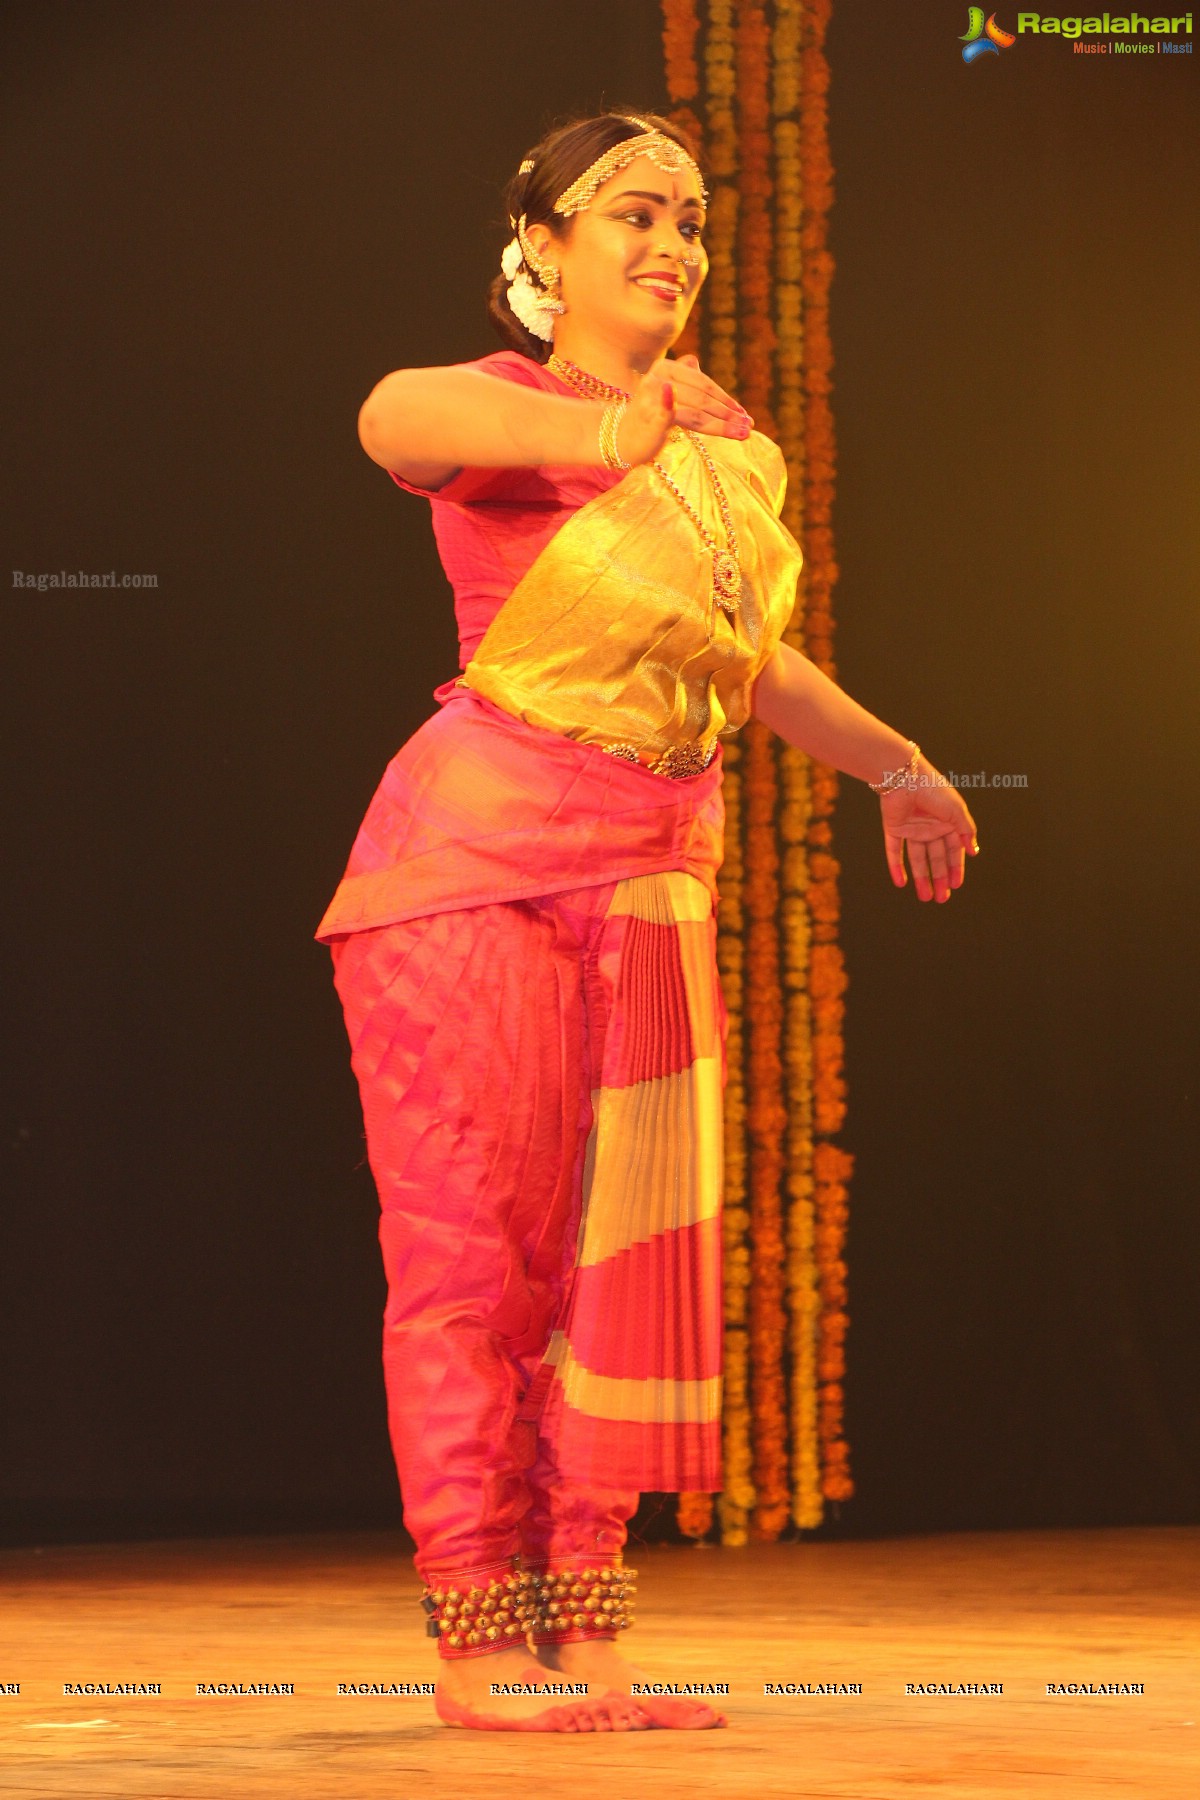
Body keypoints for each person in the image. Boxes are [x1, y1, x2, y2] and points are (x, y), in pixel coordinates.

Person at [316, 108, 979, 1735]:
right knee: (480, 1263)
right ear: (538, 245)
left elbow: (744, 668)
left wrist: (897, 764)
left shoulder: (728, 446)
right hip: (473, 866)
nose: (671, 243)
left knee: (624, 1268)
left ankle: (588, 1623)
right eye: (631, 212)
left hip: (654, 878)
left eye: (690, 216)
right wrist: (614, 434)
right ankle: (483, 1633)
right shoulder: (503, 410)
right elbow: (390, 416)